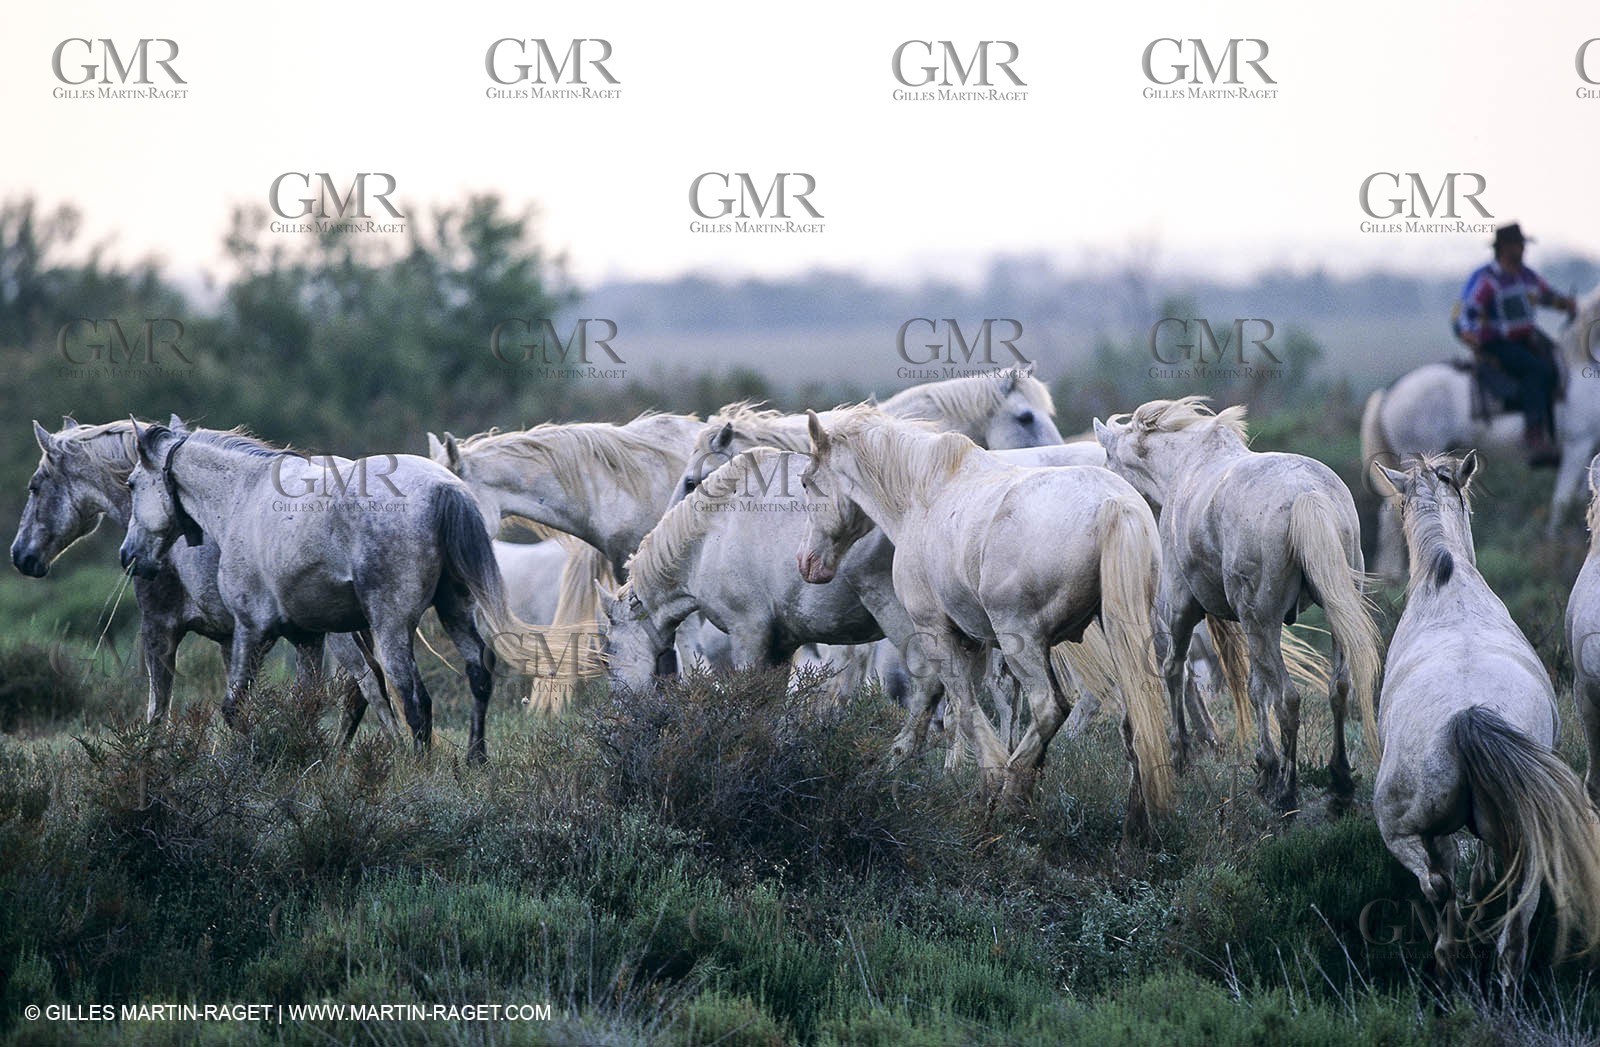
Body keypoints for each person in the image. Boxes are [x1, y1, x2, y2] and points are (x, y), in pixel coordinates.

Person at [1453, 222, 1579, 467]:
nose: (1522, 249)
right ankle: (1533, 434)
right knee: (1536, 369)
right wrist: (1468, 333)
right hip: (1497, 342)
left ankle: (1554, 430)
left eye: (1522, 245)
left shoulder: (1526, 275)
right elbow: (1466, 312)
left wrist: (1566, 304)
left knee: (1556, 360)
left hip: (1526, 338)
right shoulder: (1487, 280)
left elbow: (1546, 296)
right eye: (1518, 245)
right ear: (1504, 248)